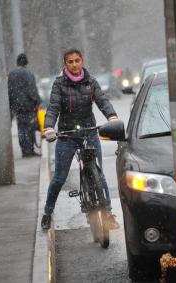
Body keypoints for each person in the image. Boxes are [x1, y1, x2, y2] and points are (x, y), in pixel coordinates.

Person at [41, 48, 120, 230]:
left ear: (82, 61)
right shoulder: (59, 84)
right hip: (67, 135)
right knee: (59, 177)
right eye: (70, 61)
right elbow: (53, 107)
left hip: (89, 132)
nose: (74, 64)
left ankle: (107, 213)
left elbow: (102, 100)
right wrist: (49, 127)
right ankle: (47, 212)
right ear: (65, 64)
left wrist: (112, 117)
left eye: (77, 60)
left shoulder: (90, 82)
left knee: (98, 173)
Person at [8, 53, 41, 157]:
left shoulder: (11, 74)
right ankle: (30, 150)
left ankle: (24, 150)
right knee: (30, 127)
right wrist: (37, 101)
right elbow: (32, 90)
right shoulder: (28, 73)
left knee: (21, 128)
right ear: (26, 62)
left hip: (17, 106)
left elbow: (9, 91)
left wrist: (12, 104)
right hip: (28, 106)